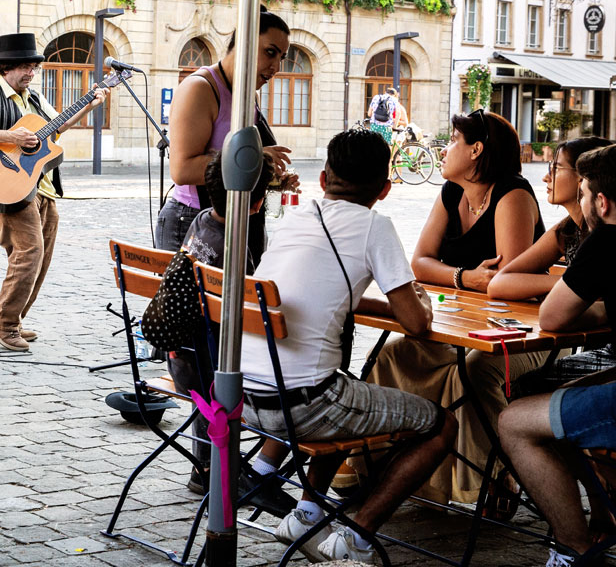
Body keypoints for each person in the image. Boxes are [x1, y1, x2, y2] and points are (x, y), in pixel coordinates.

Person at [241, 129, 456, 562]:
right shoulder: (375, 225)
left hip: (244, 396)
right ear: (385, 189)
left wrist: (389, 303)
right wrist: (421, 305)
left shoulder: (299, 217)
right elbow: (415, 322)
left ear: (323, 180)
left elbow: (324, 288)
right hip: (305, 405)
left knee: (346, 387)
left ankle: (304, 514)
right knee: (441, 425)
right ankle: (358, 536)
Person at [363, 109, 545, 511]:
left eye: (453, 142)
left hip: (524, 335)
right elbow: (420, 263)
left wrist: (462, 280)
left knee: (478, 368)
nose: (444, 150)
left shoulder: (512, 195)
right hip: (463, 322)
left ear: (476, 151)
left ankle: (499, 476)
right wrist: (465, 278)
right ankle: (380, 464)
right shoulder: (450, 193)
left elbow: (508, 287)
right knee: (394, 353)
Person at [498, 143, 616, 567]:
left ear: (601, 202)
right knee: (538, 392)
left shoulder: (606, 240)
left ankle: (575, 551)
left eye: (583, 193)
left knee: (514, 421)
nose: (582, 203)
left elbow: (552, 317)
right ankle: (603, 509)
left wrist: (585, 296)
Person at [0, 33, 108, 351]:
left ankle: (8, 318)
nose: (31, 73)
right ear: (7, 68)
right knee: (29, 253)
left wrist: (89, 105)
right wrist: (13, 137)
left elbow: (59, 125)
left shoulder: (35, 99)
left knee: (41, 256)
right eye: (26, 67)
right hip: (3, 185)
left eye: (34, 67)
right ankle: (5, 323)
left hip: (40, 186)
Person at [165, 153, 294, 516]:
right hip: (216, 378)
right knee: (300, 385)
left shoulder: (203, 222)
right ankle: (259, 477)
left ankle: (248, 472)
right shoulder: (234, 252)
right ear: (256, 202)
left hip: (184, 364)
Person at [155, 8, 297, 261]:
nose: (276, 67)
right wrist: (254, 157)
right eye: (270, 52)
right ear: (243, 43)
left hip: (234, 219)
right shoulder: (200, 89)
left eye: (282, 57)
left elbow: (235, 167)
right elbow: (182, 170)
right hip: (191, 219)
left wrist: (269, 177)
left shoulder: (248, 94)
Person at [489, 137, 613, 301]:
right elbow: (498, 284)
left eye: (556, 168)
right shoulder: (567, 230)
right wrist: (570, 283)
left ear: (582, 178)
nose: (546, 177)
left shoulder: (605, 234)